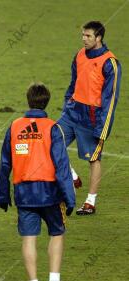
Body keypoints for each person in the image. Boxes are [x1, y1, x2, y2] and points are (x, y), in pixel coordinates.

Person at [0, 83, 75, 281]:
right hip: (49, 192)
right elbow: (62, 166)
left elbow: (5, 163)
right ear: (47, 101)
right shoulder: (52, 128)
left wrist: (3, 194)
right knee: (57, 234)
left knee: (29, 239)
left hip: (23, 192)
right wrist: (69, 198)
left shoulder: (14, 127)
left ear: (28, 100)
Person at [58, 21, 121, 215]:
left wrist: (102, 129)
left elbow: (110, 99)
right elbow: (73, 81)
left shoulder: (110, 63)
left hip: (92, 118)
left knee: (93, 159)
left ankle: (90, 202)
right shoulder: (79, 54)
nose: (84, 39)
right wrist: (68, 101)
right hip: (72, 111)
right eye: (83, 35)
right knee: (52, 141)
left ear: (99, 38)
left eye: (88, 36)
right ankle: (71, 175)